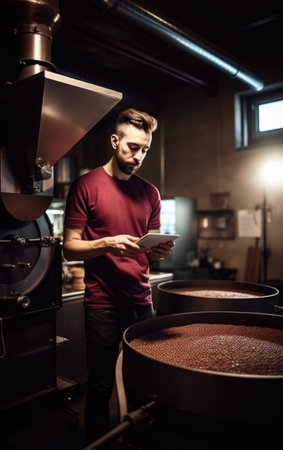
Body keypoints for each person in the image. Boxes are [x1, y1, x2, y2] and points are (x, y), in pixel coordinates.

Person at [63, 108, 175, 445]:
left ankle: (138, 442)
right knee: (100, 387)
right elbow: (69, 247)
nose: (138, 156)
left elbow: (150, 244)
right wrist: (107, 242)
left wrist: (157, 251)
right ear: (114, 141)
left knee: (144, 382)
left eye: (145, 149)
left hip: (142, 301)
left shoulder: (150, 193)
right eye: (132, 147)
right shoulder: (86, 185)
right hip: (102, 305)